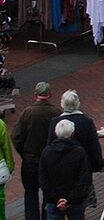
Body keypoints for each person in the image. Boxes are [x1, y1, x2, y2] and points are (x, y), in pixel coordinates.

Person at [15, 82, 56, 220]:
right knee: (48, 193)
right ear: (50, 94)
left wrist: (24, 152)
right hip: (50, 161)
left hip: (30, 160)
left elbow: (16, 137)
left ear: (35, 94)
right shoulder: (56, 113)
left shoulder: (28, 113)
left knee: (30, 193)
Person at [40, 120, 91, 220]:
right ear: (73, 133)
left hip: (52, 200)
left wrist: (56, 198)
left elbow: (43, 178)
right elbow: (84, 178)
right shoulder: (79, 152)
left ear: (55, 133)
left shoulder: (47, 152)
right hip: (75, 201)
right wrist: (69, 199)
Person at [51, 92, 100, 181]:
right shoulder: (86, 121)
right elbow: (93, 145)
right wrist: (99, 164)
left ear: (62, 104)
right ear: (77, 103)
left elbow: (50, 143)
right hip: (83, 166)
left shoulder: (55, 122)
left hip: (60, 166)